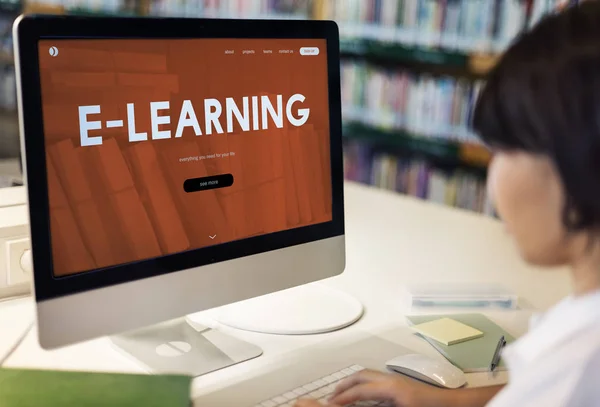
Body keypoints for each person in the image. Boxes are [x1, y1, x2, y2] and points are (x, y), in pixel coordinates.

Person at [295, 2, 600, 406]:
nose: (494, 178)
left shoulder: (578, 363)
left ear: (574, 159)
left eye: (502, 150)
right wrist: (452, 402)